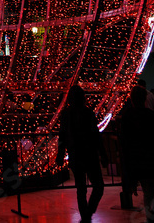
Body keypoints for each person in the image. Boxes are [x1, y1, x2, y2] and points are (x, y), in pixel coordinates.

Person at [120, 86, 154, 222]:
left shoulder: (127, 117)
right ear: (145, 98)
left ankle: (151, 217)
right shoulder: (151, 116)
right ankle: (152, 217)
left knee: (147, 191)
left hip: (138, 161)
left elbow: (125, 144)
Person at [56, 85, 107, 222]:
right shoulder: (87, 113)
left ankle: (86, 215)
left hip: (75, 154)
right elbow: (96, 135)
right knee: (98, 186)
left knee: (81, 189)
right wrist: (103, 154)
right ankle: (88, 214)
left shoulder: (66, 115)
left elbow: (62, 136)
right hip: (89, 154)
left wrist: (60, 154)